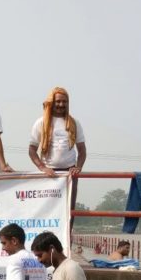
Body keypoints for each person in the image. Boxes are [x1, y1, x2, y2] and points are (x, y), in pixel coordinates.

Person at [28, 87, 87, 220]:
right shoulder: (41, 122)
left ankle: (67, 239)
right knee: (48, 210)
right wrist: (43, 168)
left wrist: (78, 167)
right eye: (58, 101)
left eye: (64, 102)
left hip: (69, 174)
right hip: (49, 173)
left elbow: (82, 151)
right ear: (51, 102)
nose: (61, 105)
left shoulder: (74, 123)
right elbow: (32, 150)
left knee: (69, 211)